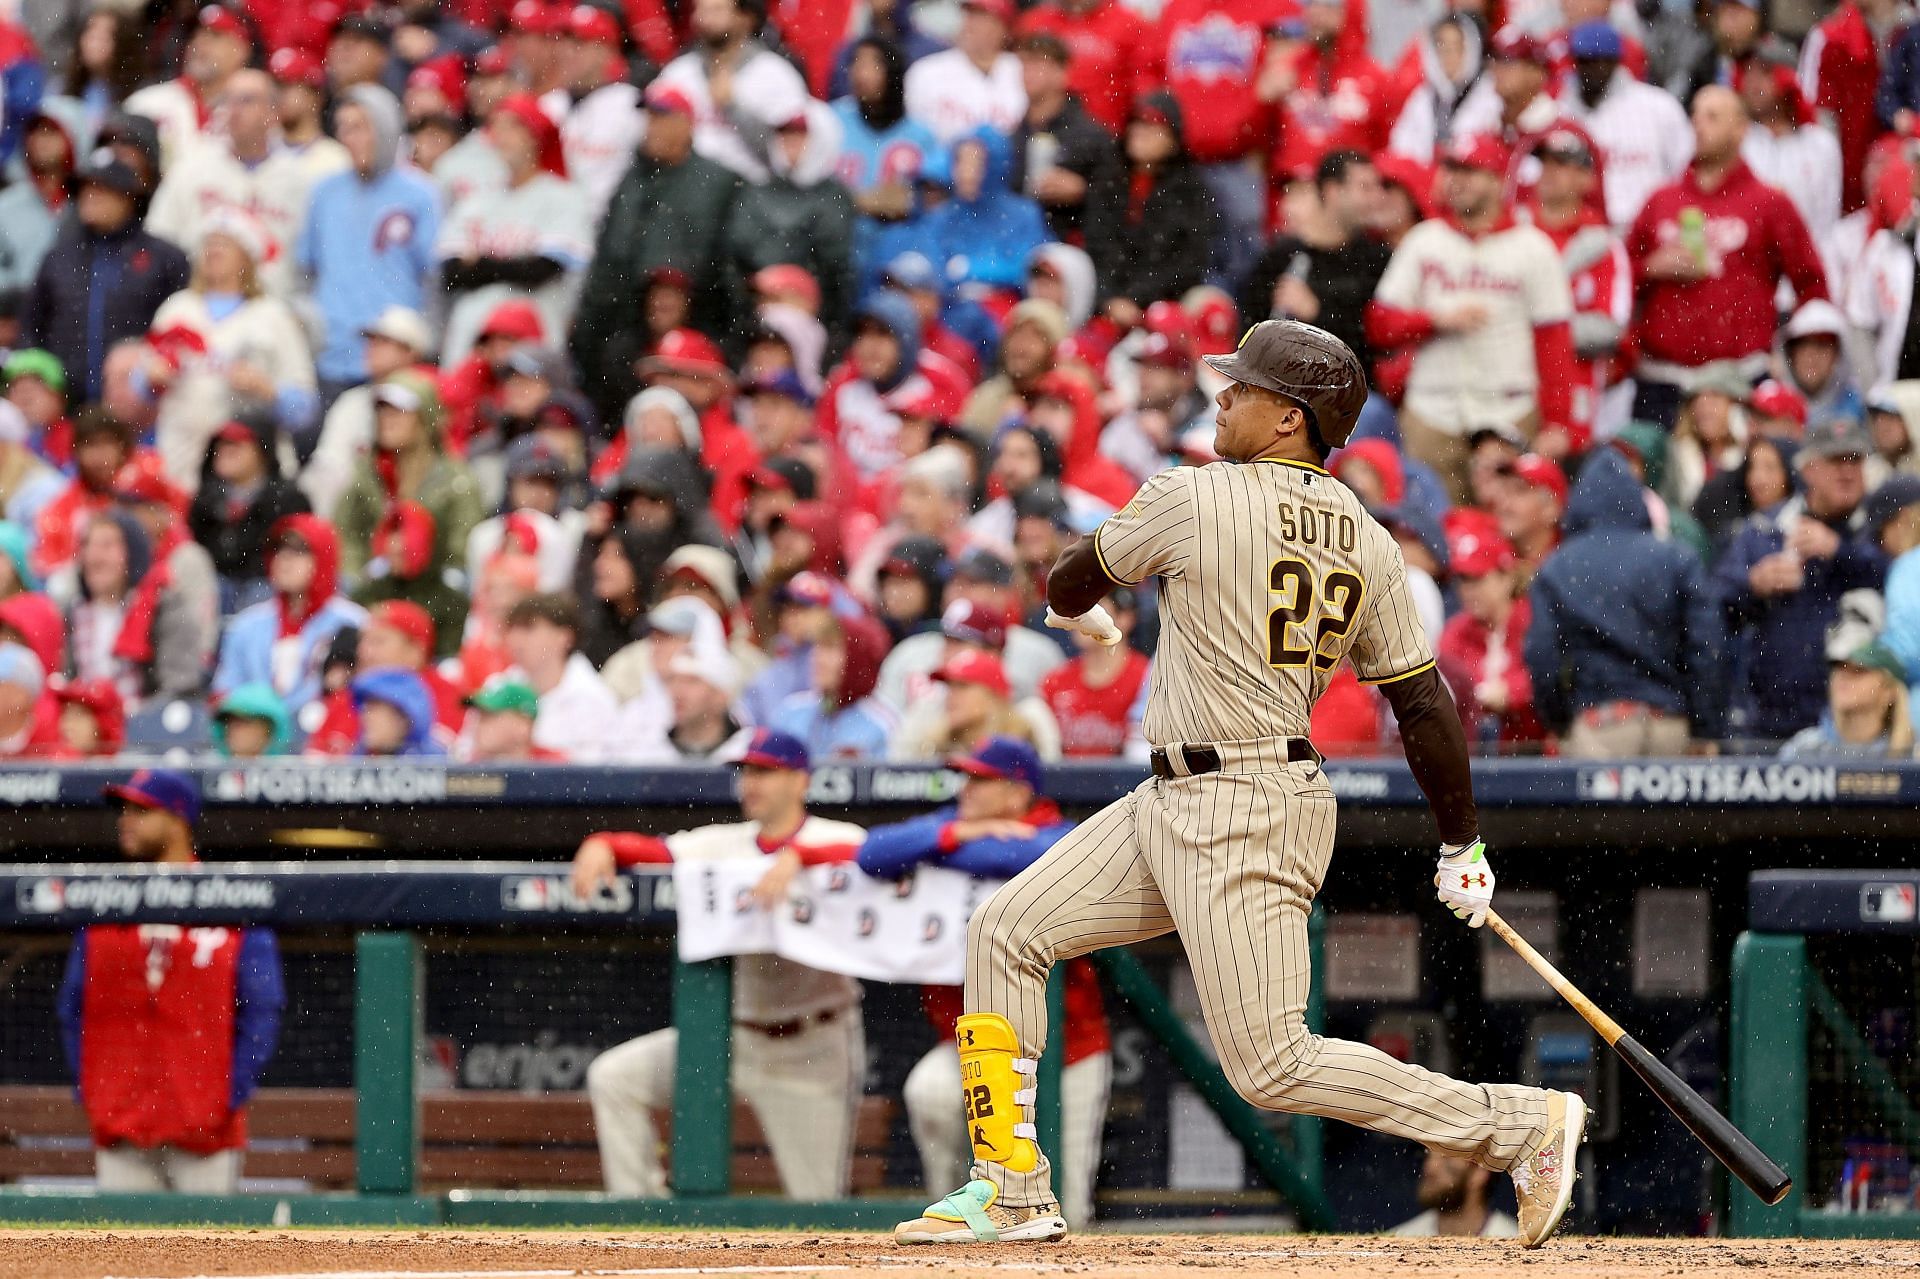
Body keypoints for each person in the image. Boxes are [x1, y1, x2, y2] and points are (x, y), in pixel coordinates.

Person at [896, 318, 1583, 1247]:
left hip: (1243, 802)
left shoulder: (1195, 495)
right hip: (1187, 796)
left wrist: (1086, 609)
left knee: (1270, 1065)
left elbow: (1062, 581)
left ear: (1291, 419)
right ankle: (1010, 1187)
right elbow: (1424, 704)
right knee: (1007, 929)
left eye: (1243, 388)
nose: (1222, 396)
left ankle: (1519, 1125)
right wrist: (1461, 840)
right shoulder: (1371, 539)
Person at [572, 729, 867, 1199]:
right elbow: (651, 851)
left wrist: (801, 858)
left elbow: (880, 855)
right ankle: (641, 1221)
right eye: (746, 771)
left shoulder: (836, 836)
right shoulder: (724, 843)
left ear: (800, 781)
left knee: (819, 1203)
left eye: (766, 772)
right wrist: (601, 842)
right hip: (728, 1039)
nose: (752, 782)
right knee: (615, 1078)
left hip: (811, 1044)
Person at [844, 736, 1113, 1228]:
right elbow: (873, 852)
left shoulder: (1061, 833)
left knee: (1067, 1204)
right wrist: (966, 833)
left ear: (1018, 792)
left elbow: (1029, 856)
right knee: (928, 1093)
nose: (966, 788)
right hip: (976, 1046)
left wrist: (957, 843)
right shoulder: (956, 825)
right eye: (966, 777)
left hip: (1065, 1049)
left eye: (981, 780)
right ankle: (962, 1215)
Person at [56, 770, 284, 1193]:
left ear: (179, 820)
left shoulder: (233, 903)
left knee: (208, 1255)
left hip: (205, 1135)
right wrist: (95, 1092)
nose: (127, 820)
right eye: (124, 810)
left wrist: (225, 1097)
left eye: (142, 810)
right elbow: (72, 1008)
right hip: (122, 1126)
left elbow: (262, 1012)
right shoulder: (100, 907)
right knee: (120, 1258)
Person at [1366, 135, 1575, 501]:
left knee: (1504, 527)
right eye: (1452, 168)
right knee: (1429, 526)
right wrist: (1433, 320)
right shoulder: (1425, 240)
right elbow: (1379, 323)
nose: (1457, 179)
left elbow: (1554, 342)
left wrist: (1558, 421)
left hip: (1507, 412)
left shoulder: (1533, 247)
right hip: (1433, 410)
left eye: (1470, 170)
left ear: (1497, 179)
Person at [1626, 87, 1829, 428]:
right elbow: (1617, 281)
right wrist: (1651, 267)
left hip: (1740, 380)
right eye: (1695, 115)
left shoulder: (1768, 202)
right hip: (1662, 381)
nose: (1699, 125)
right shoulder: (1661, 200)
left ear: (1740, 129)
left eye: (1713, 117)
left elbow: (1812, 283)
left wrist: (1791, 352)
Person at [1524, 450, 1726, 756]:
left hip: (1599, 728)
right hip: (1669, 725)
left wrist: (1560, 721)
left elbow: (1542, 656)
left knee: (1600, 806)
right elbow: (1706, 648)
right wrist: (1704, 726)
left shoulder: (1558, 567)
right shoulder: (1676, 557)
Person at [571, 85, 741, 422]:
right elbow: (608, 254)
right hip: (631, 319)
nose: (653, 127)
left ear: (687, 124)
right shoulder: (632, 180)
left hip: (698, 317)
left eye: (663, 117)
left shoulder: (717, 181)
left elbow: (728, 262)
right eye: (649, 118)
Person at [1715, 421, 1890, 741]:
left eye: (1855, 460)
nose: (1848, 472)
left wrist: (1840, 552)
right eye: (1836, 461)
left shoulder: (1877, 524)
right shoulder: (1766, 530)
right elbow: (1717, 601)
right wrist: (1752, 584)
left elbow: (1900, 579)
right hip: (1771, 719)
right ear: (1808, 470)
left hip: (1857, 723)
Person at [148, 211, 318, 489]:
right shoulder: (177, 308)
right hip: (180, 462)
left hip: (254, 473)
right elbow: (140, 390)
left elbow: (305, 411)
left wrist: (267, 390)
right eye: (209, 244)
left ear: (247, 257)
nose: (214, 251)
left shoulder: (272, 315)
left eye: (225, 244)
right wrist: (151, 379)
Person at [299, 85, 442, 405]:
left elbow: (433, 278)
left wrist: (426, 343)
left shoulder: (421, 194)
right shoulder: (325, 192)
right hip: (331, 353)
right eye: (344, 128)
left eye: (360, 127)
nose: (351, 138)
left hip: (394, 352)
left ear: (386, 127)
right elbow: (306, 269)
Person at [20, 153, 188, 403]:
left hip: (140, 408)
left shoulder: (164, 258)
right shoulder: (59, 257)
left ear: (130, 198)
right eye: (85, 189)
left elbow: (182, 328)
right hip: (66, 409)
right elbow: (31, 329)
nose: (90, 197)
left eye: (102, 188)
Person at [437, 94, 593, 363]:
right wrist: (511, 266)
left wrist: (481, 265)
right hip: (470, 341)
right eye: (497, 126)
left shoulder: (564, 197)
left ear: (534, 135)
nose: (501, 135)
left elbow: (541, 270)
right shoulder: (477, 200)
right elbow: (451, 273)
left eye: (513, 126)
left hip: (531, 343)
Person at [145, 69, 311, 301]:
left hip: (271, 310)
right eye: (227, 101)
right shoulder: (192, 167)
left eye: (247, 100)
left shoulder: (300, 180)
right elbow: (159, 238)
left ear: (274, 113)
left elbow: (308, 264)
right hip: (199, 306)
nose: (234, 110)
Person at [1243, 150, 1392, 371]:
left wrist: (1317, 315)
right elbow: (1249, 329)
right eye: (1365, 188)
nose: (1377, 198)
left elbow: (1374, 340)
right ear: (1333, 191)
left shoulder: (1377, 259)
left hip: (1351, 390)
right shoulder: (1282, 257)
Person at [212, 514, 367, 723]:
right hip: (256, 741)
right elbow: (224, 694)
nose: (284, 558)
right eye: (279, 548)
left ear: (323, 557)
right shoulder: (246, 626)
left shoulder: (354, 623)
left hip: (324, 742)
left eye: (300, 550)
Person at [1086, 93, 1217, 329]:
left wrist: (1136, 299)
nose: (1140, 132)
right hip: (1106, 303)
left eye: (1153, 126)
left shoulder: (1191, 191)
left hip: (1164, 304)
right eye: (1136, 123)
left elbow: (1188, 262)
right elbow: (1097, 247)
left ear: (1173, 139)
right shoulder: (1108, 182)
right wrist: (1109, 299)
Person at [651, 0, 813, 184]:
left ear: (746, 17)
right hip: (686, 195)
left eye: (717, 10)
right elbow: (650, 145)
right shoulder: (678, 72)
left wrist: (733, 108)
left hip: (753, 197)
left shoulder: (777, 75)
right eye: (700, 9)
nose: (705, 18)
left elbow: (790, 157)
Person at [1556, 22, 1692, 231]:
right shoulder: (1558, 112)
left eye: (1598, 60)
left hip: (1647, 229)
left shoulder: (1657, 105)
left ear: (1615, 61)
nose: (1589, 68)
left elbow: (1686, 170)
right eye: (1583, 60)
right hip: (1582, 231)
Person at [1008, 32, 1118, 244]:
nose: (1028, 72)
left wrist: (1083, 192)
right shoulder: (1013, 135)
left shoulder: (1092, 136)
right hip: (1017, 247)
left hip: (1069, 245)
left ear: (1063, 73)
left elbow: (1115, 203)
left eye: (1039, 63)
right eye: (1025, 63)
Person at [502, 591, 621, 762]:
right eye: (512, 629)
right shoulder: (497, 687)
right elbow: (465, 759)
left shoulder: (594, 699)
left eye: (528, 628)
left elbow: (594, 777)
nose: (515, 639)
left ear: (564, 637)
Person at [1738, 58, 1841, 254]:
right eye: (1748, 73)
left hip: (1804, 265)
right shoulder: (1738, 140)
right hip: (1749, 267)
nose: (1752, 82)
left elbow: (1827, 223)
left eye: (1764, 73)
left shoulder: (1821, 144)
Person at [552, 3, 644, 221]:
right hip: (550, 233)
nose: (568, 52)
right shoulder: (548, 105)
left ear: (607, 50)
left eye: (580, 43)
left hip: (607, 228)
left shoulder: (632, 105)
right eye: (564, 41)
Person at [1038, 587, 1149, 757]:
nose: (1080, 616)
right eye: (1078, 608)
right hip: (1066, 781)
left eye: (1093, 607)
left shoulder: (1146, 678)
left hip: (1128, 781)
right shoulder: (1055, 680)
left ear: (1125, 618)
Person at [905, 0, 1025, 147]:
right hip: (941, 165)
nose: (971, 23)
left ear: (1003, 28)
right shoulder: (926, 71)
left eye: (982, 17)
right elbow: (913, 140)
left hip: (1004, 166)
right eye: (969, 14)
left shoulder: (1021, 71)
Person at [1778, 639, 1913, 758]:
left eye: (1858, 670)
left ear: (1888, 691)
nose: (1844, 677)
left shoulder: (1911, 755)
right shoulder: (1805, 750)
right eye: (1839, 668)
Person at [1391, 1149, 1522, 1237]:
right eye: (1429, 1155)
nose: (1429, 1167)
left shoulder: (1514, 1244)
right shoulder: (1400, 1239)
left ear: (1479, 1172)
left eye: (1446, 1158)